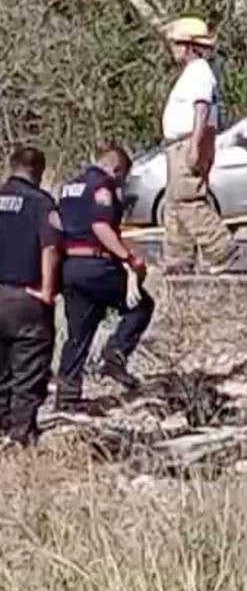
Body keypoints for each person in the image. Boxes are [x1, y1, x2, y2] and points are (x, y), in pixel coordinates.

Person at [54, 144, 155, 410]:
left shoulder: (68, 187)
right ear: (116, 169)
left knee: (78, 333)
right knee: (141, 306)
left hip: (69, 267)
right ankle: (115, 354)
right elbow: (100, 226)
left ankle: (67, 397)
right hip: (95, 265)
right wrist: (128, 258)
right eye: (123, 177)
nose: (122, 183)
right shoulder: (103, 186)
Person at [160, 16, 239, 275]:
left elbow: (201, 109)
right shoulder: (193, 73)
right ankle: (178, 258)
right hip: (180, 143)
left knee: (188, 199)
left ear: (190, 46)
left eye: (176, 44)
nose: (173, 49)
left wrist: (195, 145)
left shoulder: (199, 73)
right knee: (174, 202)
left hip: (188, 142)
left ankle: (221, 247)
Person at [0, 148, 61, 446]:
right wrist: (48, 291)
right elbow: (50, 248)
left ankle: (2, 425)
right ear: (38, 171)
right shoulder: (41, 203)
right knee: (28, 370)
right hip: (25, 297)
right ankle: (21, 436)